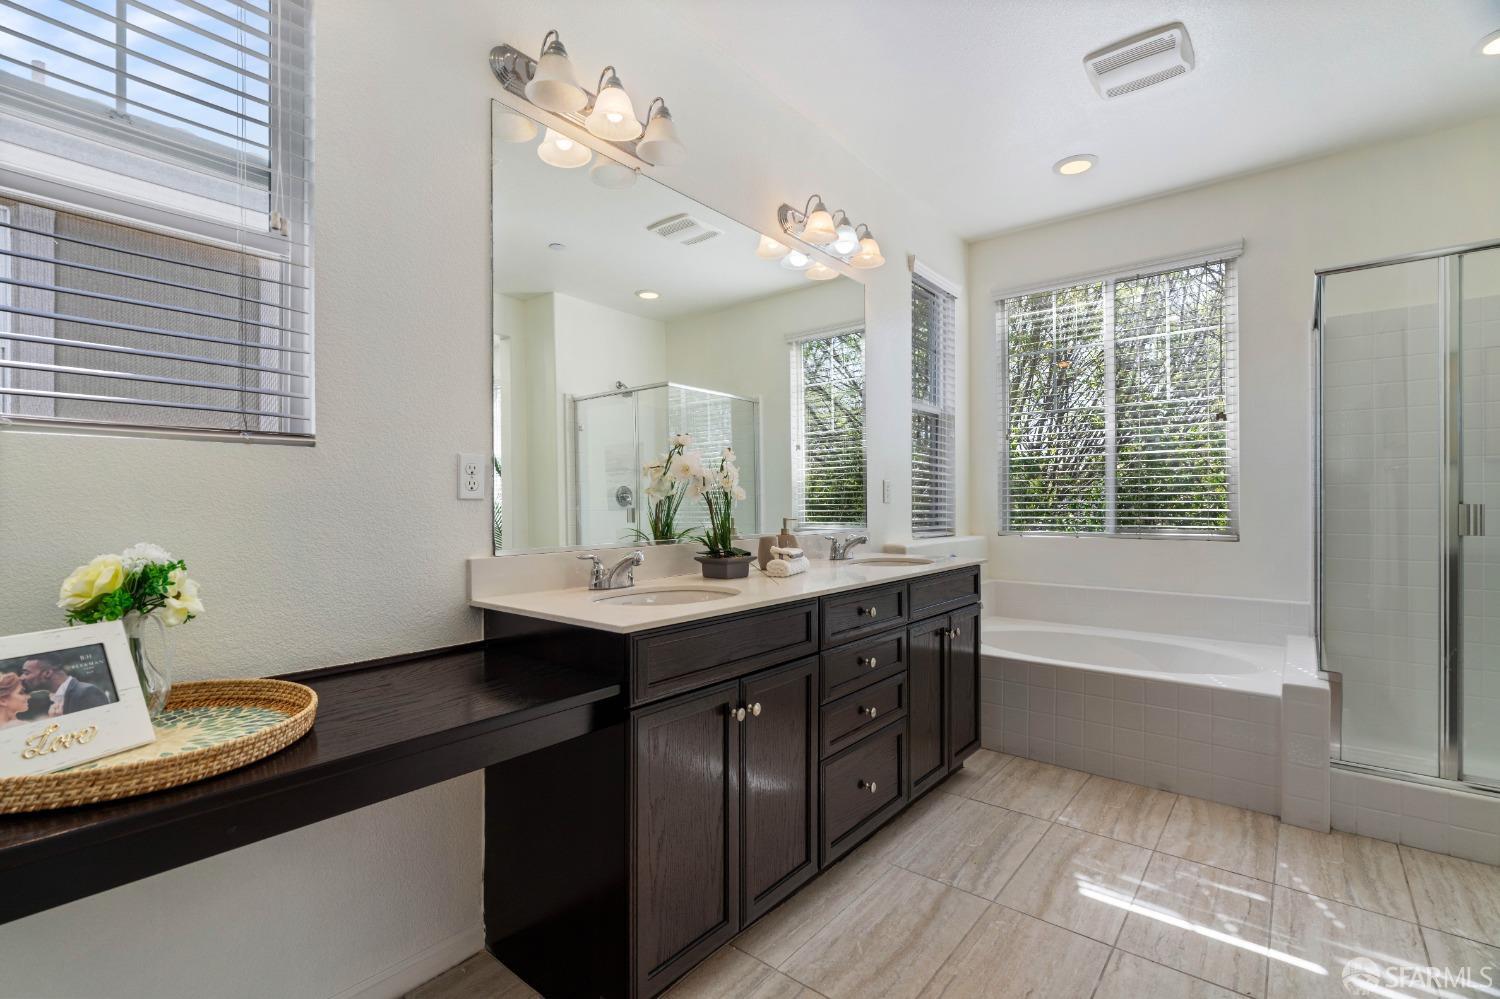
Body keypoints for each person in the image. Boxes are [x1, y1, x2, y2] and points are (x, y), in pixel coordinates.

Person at [20, 654, 110, 715]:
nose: (21, 678)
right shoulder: (53, 698)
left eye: (26, 673)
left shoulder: (87, 692)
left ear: (47, 673)